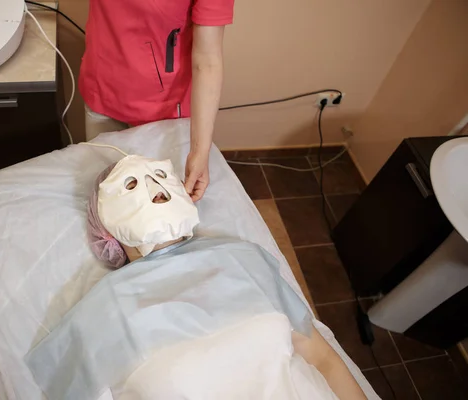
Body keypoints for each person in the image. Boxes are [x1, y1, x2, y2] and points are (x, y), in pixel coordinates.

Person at [26, 156, 369, 400]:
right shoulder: (99, 314)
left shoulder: (242, 258)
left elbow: (323, 358)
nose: (153, 188)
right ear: (105, 229)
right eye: (129, 185)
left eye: (160, 177)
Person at [79, 0, 235, 202]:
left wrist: (199, 150)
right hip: (102, 90)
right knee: (108, 200)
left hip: (163, 111)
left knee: (160, 210)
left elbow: (208, 62)